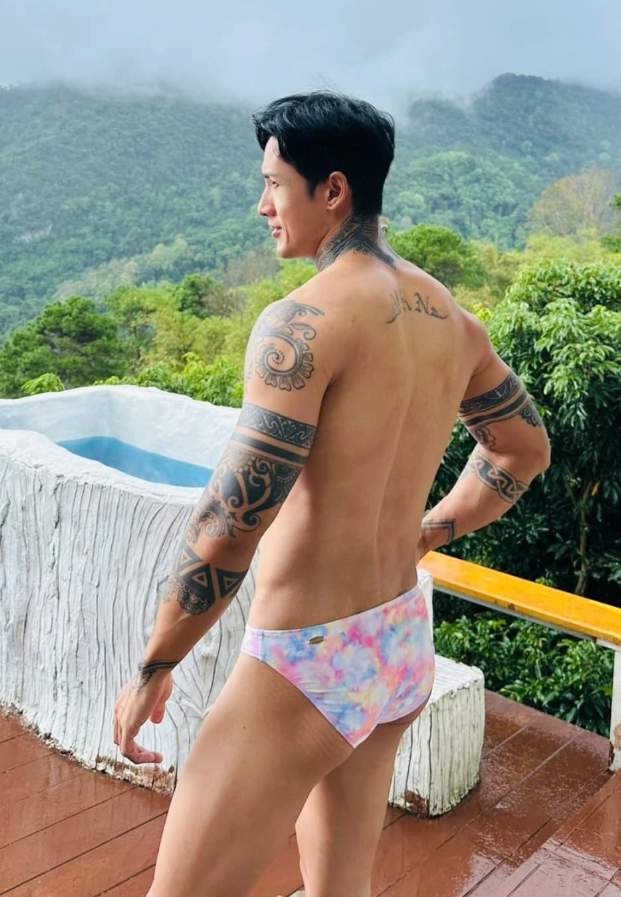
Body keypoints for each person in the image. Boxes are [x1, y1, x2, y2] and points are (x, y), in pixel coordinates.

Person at [113, 92, 550, 897]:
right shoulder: (449, 317)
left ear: (334, 190)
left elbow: (228, 523)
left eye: (274, 184)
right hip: (396, 639)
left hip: (306, 661)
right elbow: (523, 447)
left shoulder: (302, 325)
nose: (262, 204)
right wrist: (428, 531)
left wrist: (154, 665)